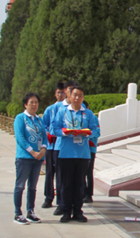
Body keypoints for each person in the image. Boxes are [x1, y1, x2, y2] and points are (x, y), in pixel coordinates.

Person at [51, 85, 99, 223]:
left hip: (83, 154)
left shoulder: (88, 114)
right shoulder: (62, 111)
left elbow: (95, 130)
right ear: (70, 96)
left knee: (79, 184)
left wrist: (87, 133)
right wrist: (64, 132)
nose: (77, 98)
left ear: (83, 98)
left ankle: (78, 211)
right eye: (75, 95)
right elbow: (55, 129)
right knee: (66, 184)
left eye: (80, 95)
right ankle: (66, 211)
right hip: (66, 153)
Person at [13, 92, 48, 224]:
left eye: (36, 102)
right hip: (24, 158)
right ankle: (18, 213)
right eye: (31, 102)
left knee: (32, 186)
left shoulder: (39, 119)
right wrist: (32, 152)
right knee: (20, 186)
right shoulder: (20, 118)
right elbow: (20, 138)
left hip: (38, 158)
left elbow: (45, 135)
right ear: (25, 104)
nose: (34, 105)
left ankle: (30, 211)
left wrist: (43, 149)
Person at [41, 82, 65, 209]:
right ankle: (48, 197)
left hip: (61, 145)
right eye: (58, 92)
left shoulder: (67, 108)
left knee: (60, 174)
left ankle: (61, 200)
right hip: (50, 145)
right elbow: (43, 125)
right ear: (55, 94)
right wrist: (47, 133)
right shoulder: (50, 109)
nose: (61, 95)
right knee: (50, 173)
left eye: (63, 92)